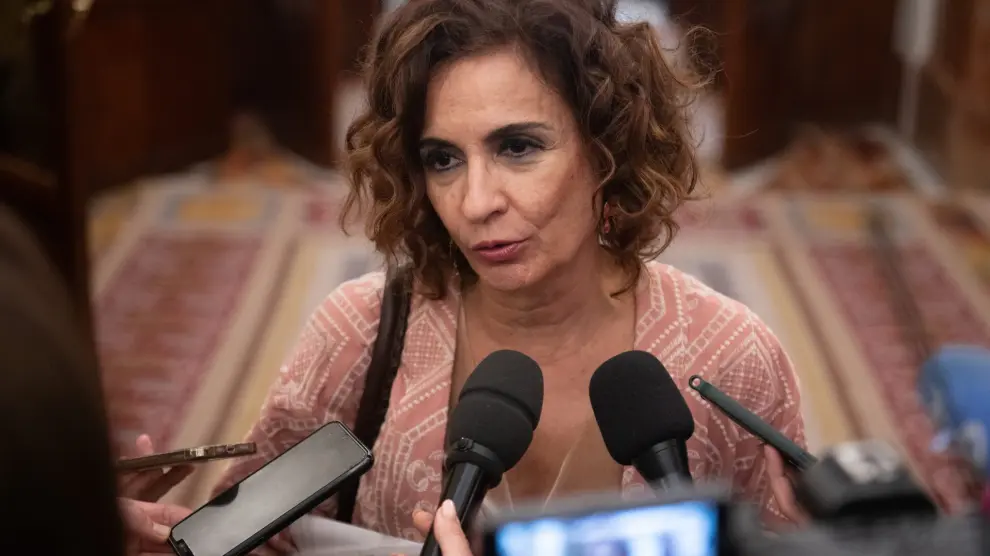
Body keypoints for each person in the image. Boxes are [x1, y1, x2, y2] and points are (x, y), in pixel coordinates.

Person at [125, 0, 807, 551]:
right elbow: (257, 542)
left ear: (607, 149)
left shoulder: (733, 361)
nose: (476, 202)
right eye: (443, 159)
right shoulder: (357, 336)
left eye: (518, 147)